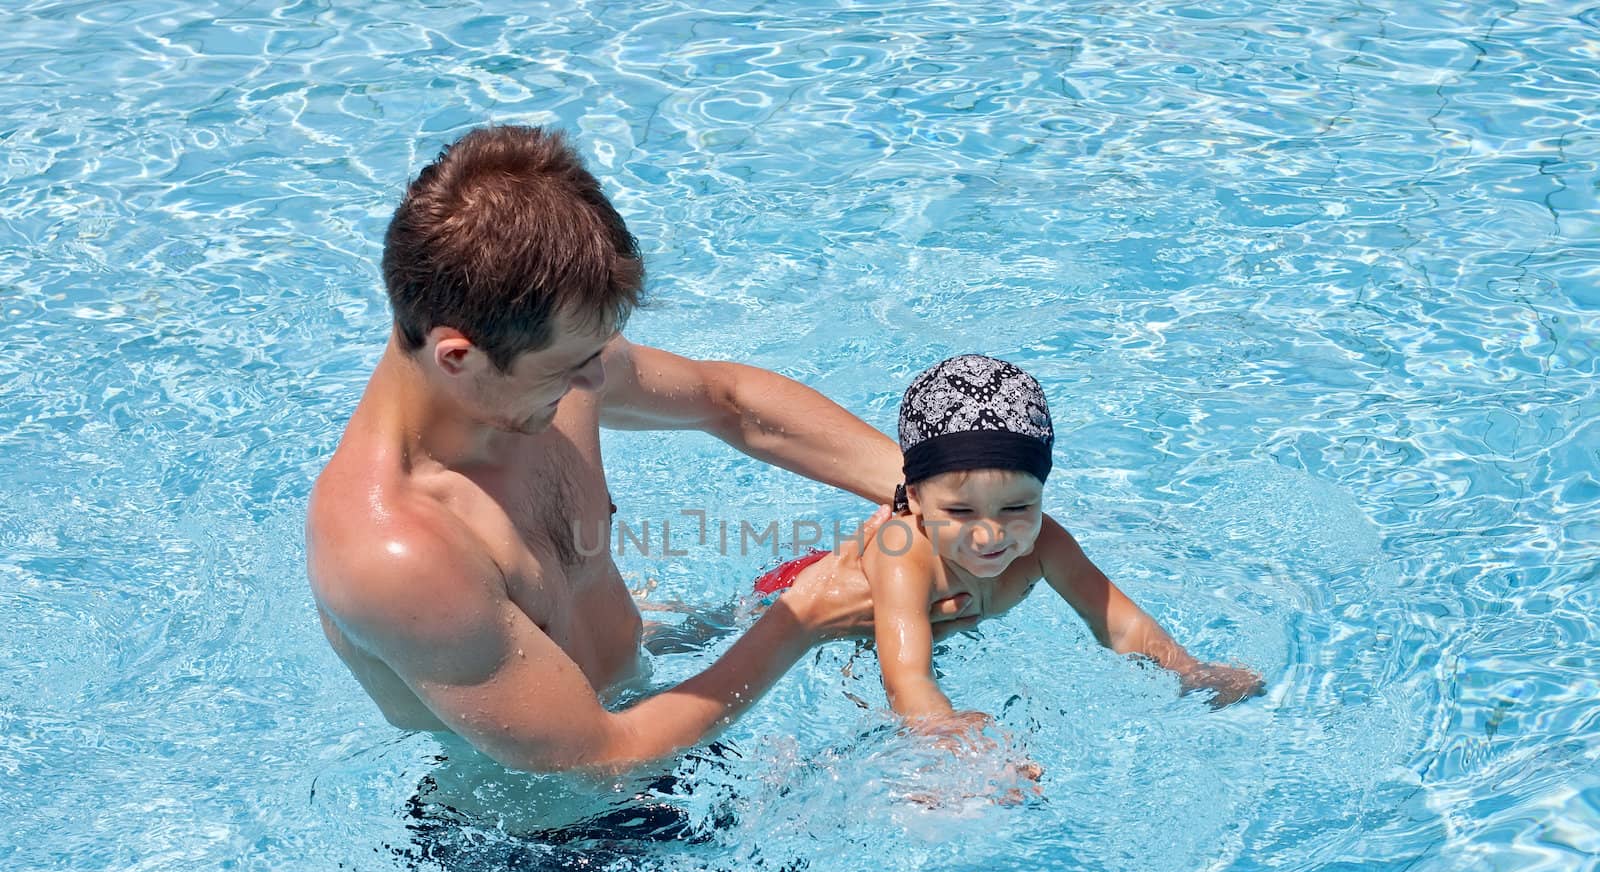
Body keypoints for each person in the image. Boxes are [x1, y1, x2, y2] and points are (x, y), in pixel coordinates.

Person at [306, 124, 969, 777]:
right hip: (555, 848)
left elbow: (728, 401)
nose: (596, 382)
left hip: (658, 699)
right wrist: (803, 620)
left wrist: (935, 495)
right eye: (572, 365)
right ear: (459, 356)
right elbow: (594, 759)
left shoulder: (528, 371)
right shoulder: (393, 553)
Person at [756, 354, 1264, 741]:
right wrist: (941, 731)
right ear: (913, 498)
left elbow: (1118, 620)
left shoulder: (1046, 542)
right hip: (797, 593)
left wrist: (1188, 669)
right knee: (722, 627)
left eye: (1017, 507)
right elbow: (906, 671)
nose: (990, 535)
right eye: (959, 512)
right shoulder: (900, 550)